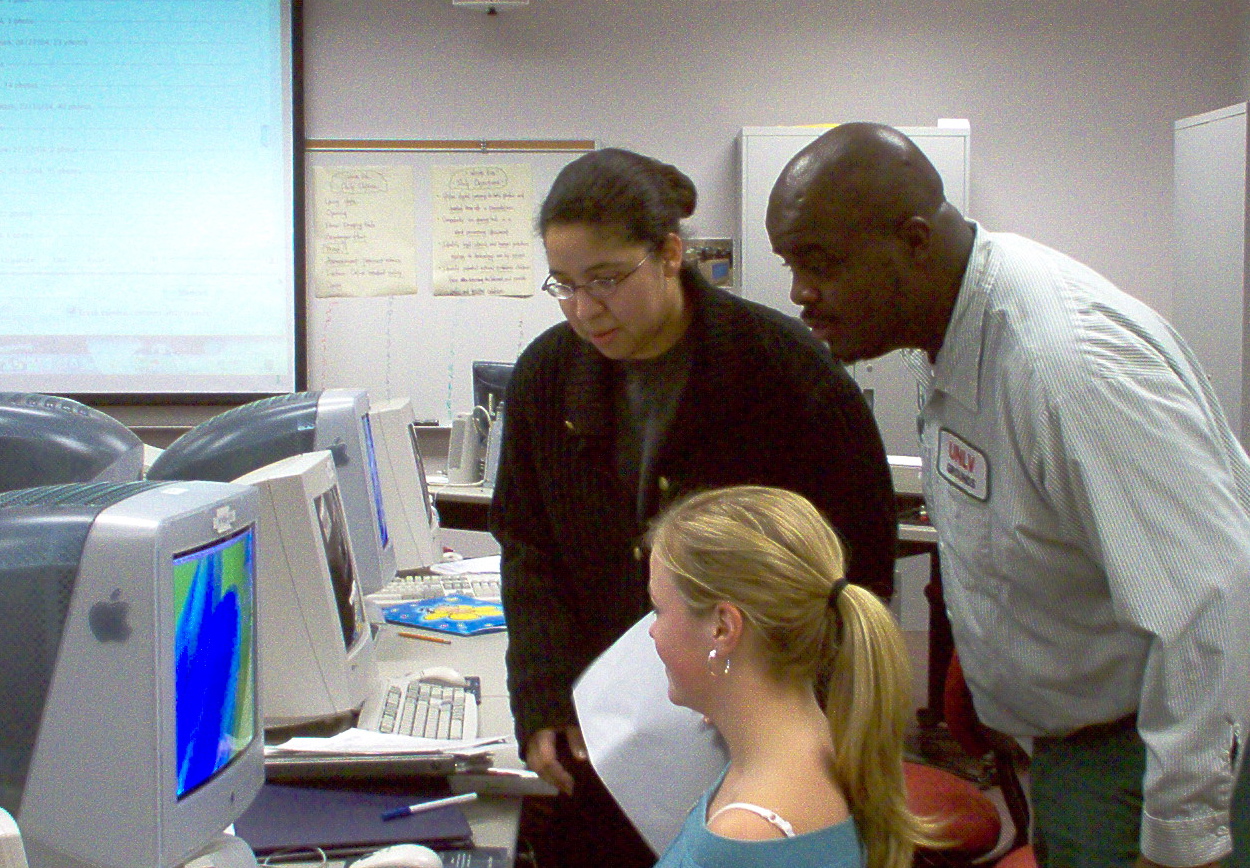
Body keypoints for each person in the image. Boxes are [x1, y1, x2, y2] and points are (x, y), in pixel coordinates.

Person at [765, 121, 1250, 868]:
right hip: (1073, 752)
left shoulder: (1066, 367)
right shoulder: (949, 329)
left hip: (1154, 754)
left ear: (915, 240)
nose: (799, 293)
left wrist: (1182, 840)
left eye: (819, 264)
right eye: (790, 264)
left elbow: (1212, 601)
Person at [488, 147, 898, 867]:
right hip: (600, 736)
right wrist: (542, 695)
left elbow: (856, 577)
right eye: (565, 285)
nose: (585, 309)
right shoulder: (547, 378)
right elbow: (528, 550)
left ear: (671, 253)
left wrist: (808, 745)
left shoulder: (787, 376)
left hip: (753, 741)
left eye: (607, 280)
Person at [646, 485, 940, 868]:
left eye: (658, 611)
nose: (651, 631)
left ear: (723, 627)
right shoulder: (822, 739)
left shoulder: (746, 833)